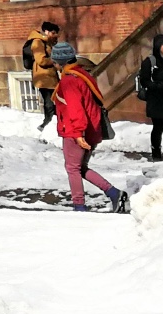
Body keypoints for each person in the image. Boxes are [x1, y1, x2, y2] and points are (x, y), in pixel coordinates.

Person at [52, 42, 129, 213]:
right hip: (91, 129)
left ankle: (79, 206)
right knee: (80, 168)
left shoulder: (69, 81)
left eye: (55, 62)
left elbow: (76, 110)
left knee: (73, 169)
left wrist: (78, 134)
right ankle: (114, 193)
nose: (54, 66)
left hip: (76, 131)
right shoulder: (82, 75)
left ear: (60, 62)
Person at [23, 19, 62, 127]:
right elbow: (41, 60)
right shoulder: (37, 42)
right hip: (43, 77)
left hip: (49, 76)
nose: (55, 36)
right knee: (49, 102)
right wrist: (54, 60)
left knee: (55, 100)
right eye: (53, 33)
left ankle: (52, 122)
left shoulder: (46, 42)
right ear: (46, 31)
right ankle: (47, 123)